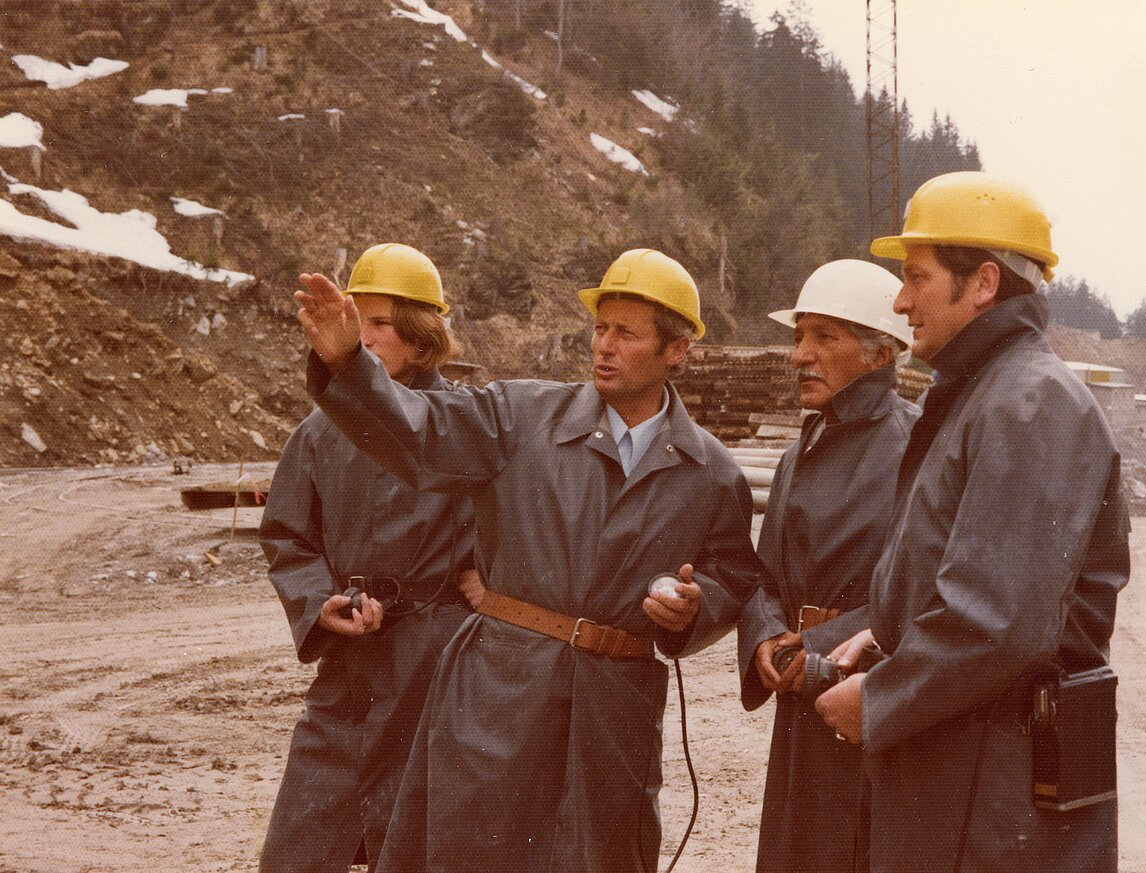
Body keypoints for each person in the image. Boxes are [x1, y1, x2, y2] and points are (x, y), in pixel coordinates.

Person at [293, 247, 762, 873]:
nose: (604, 346)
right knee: (477, 850)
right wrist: (350, 361)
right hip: (501, 687)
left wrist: (693, 608)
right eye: (601, 328)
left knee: (601, 855)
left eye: (627, 334)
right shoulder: (519, 416)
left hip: (613, 703)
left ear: (676, 351)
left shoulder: (713, 473)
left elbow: (732, 575)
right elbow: (418, 430)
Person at [815, 172, 1130, 872]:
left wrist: (880, 697)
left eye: (915, 278)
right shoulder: (986, 395)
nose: (899, 301)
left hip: (993, 784)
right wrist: (887, 625)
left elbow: (998, 617)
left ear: (983, 283)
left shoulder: (1028, 403)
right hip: (965, 763)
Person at [257, 243, 484, 873]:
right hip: (351, 667)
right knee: (299, 847)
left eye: (380, 324)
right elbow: (287, 536)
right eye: (358, 319)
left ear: (419, 340)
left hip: (437, 664)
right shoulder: (318, 431)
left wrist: (483, 574)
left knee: (417, 845)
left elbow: (522, 519)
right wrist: (317, 603)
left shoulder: (465, 420)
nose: (363, 335)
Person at [736, 259, 918, 873]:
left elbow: (923, 592)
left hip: (868, 693)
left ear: (880, 353)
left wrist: (817, 644)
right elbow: (763, 574)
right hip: (798, 688)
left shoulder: (919, 450)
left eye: (824, 338)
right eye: (798, 336)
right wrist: (764, 635)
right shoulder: (798, 451)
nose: (799, 356)